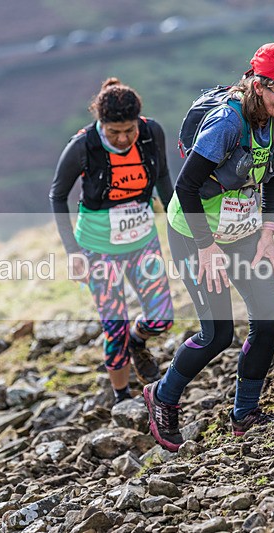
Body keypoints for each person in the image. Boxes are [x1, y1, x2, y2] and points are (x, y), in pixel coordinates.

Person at [143, 42, 274, 451]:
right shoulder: (226, 122)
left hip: (242, 231)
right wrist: (206, 248)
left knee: (268, 320)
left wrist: (268, 229)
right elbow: (186, 187)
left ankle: (246, 414)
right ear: (260, 85)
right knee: (217, 333)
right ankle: (163, 396)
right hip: (194, 233)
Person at [49, 78, 175, 404]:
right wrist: (72, 252)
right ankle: (123, 398)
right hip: (98, 249)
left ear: (138, 122)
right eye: (113, 132)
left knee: (162, 318)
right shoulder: (82, 146)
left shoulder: (151, 133)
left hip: (143, 241)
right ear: (100, 124)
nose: (122, 139)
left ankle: (139, 340)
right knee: (114, 327)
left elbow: (162, 177)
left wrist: (179, 220)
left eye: (129, 130)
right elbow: (57, 195)